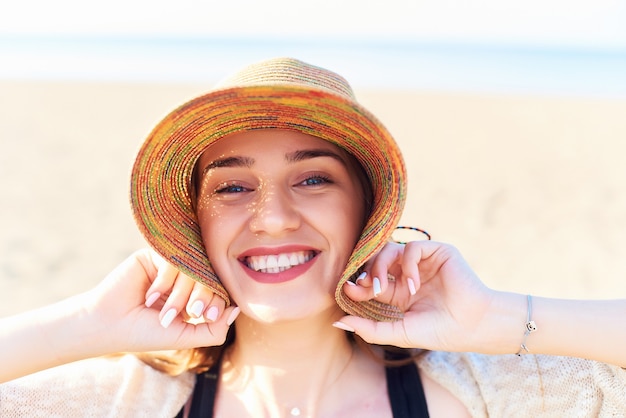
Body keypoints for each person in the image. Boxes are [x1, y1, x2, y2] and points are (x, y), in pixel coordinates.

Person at [1, 57, 625, 417]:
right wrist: (82, 324)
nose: (273, 218)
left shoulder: (478, 396)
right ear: (195, 223)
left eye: (313, 179)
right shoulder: (126, 401)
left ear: (368, 213)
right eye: (233, 188)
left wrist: (498, 315)